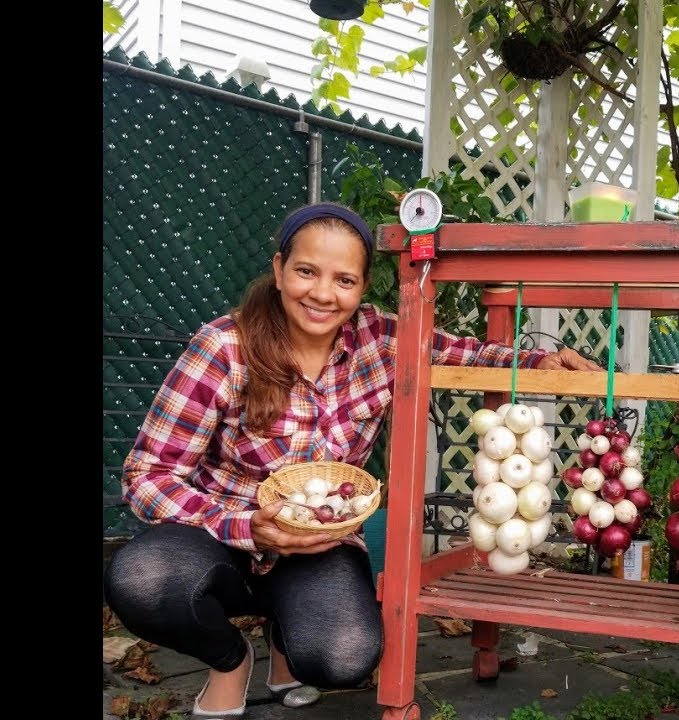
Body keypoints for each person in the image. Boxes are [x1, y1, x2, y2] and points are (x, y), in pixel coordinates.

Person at [103, 202, 602, 719]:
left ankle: (285, 640)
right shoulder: (226, 347)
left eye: (344, 279)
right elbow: (147, 475)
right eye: (305, 271)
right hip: (222, 537)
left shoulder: (382, 340)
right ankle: (229, 660)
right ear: (278, 271)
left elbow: (466, 353)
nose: (322, 293)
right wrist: (244, 524)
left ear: (363, 287)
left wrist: (540, 361)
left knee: (344, 656)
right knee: (142, 579)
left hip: (323, 543)